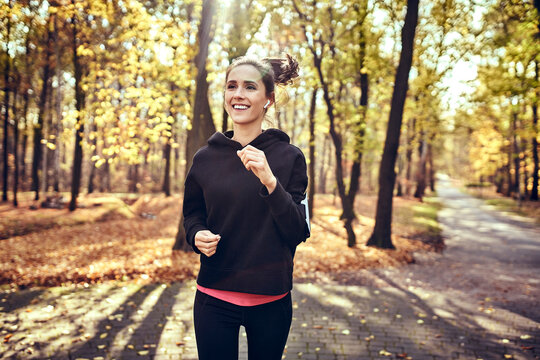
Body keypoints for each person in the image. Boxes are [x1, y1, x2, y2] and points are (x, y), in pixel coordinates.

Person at [182, 54, 310, 360]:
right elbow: (193, 214)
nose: (238, 94)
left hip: (271, 301)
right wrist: (196, 234)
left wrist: (270, 181)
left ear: (268, 98)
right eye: (232, 86)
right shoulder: (205, 158)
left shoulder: (290, 158)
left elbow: (297, 230)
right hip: (213, 298)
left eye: (250, 87)